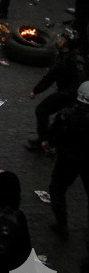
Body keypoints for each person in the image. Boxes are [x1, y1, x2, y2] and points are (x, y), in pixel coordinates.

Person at [26, 28, 85, 150]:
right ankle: (46, 141)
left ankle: (45, 142)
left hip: (71, 96)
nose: (58, 40)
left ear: (65, 43)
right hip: (67, 94)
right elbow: (50, 77)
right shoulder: (62, 57)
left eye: (61, 39)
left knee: (43, 110)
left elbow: (80, 81)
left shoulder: (74, 60)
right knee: (52, 115)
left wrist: (67, 95)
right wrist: (36, 90)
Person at [45, 80, 89, 240]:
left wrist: (48, 143)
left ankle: (62, 226)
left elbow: (53, 135)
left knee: (57, 190)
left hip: (68, 161)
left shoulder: (65, 115)